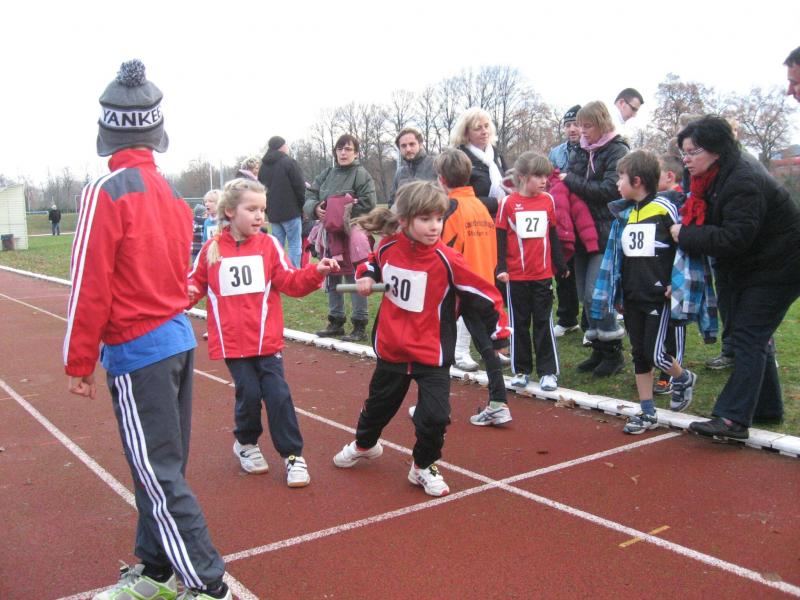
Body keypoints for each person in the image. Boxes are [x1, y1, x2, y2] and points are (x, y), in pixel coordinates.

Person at [63, 60, 231, 600]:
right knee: (157, 468)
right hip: (176, 339)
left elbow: (89, 282)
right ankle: (157, 573)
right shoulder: (170, 194)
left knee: (158, 475)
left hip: (139, 349)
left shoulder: (106, 191)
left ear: (106, 131)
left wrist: (78, 360)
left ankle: (208, 585)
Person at [331, 181, 510, 496]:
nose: (434, 226)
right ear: (404, 220)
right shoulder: (388, 247)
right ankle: (365, 445)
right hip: (392, 350)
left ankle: (423, 466)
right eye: (425, 219)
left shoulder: (448, 260)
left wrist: (499, 335)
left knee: (436, 417)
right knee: (377, 408)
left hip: (431, 354)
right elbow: (371, 263)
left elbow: (485, 295)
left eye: (438, 219)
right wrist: (367, 276)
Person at [188, 178, 339, 486]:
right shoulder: (211, 250)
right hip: (233, 343)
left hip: (266, 341)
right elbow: (193, 284)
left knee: (278, 394)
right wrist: (174, 299)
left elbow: (290, 282)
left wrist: (316, 272)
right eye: (252, 209)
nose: (260, 216)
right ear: (230, 211)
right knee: (249, 393)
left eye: (263, 210)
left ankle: (293, 455)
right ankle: (246, 443)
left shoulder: (268, 246)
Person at [670, 116, 800, 440]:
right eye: (684, 153)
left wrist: (685, 234)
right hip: (751, 265)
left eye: (693, 152)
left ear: (716, 150)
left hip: (781, 265)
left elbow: (735, 237)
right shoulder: (708, 178)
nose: (686, 160)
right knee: (749, 333)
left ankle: (732, 418)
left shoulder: (742, 180)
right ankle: (766, 408)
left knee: (748, 334)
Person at [592, 151, 696, 434]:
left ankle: (683, 377)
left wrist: (676, 283)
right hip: (632, 296)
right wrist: (617, 293)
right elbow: (619, 256)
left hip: (658, 296)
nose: (617, 184)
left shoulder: (664, 209)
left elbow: (684, 247)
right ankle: (647, 411)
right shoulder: (625, 214)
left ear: (637, 181)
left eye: (621, 178)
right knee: (639, 353)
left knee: (655, 353)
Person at [435, 149, 511, 426]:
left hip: (457, 287)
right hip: (482, 284)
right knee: (486, 346)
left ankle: (434, 405)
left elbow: (441, 250)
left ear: (441, 179)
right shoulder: (481, 207)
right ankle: (498, 402)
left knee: (438, 345)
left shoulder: (450, 209)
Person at [560, 101, 629, 377]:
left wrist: (569, 180)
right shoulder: (580, 150)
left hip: (605, 232)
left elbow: (609, 190)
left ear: (601, 123)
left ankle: (613, 352)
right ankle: (599, 349)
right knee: (585, 297)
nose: (582, 131)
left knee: (597, 294)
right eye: (580, 125)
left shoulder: (617, 150)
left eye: (587, 125)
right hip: (582, 232)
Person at [495, 152, 567, 393]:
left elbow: (552, 234)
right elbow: (500, 238)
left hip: (542, 275)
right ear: (523, 177)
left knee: (544, 322)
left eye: (546, 175)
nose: (544, 180)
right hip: (516, 276)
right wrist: (501, 267)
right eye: (538, 176)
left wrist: (560, 264)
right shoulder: (508, 203)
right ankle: (522, 369)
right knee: (519, 322)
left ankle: (548, 371)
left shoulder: (548, 200)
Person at [304, 133, 377, 342]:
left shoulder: (361, 174)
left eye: (348, 149)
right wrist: (316, 208)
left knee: (355, 275)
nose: (343, 153)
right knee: (331, 273)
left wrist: (340, 209)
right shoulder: (326, 174)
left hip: (352, 233)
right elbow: (310, 196)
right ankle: (335, 321)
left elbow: (369, 202)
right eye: (340, 149)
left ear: (356, 153)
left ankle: (359, 323)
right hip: (329, 233)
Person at [548, 105, 586, 337]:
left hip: (585, 218)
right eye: (568, 125)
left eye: (576, 125)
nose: (572, 129)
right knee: (563, 269)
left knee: (586, 270)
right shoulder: (556, 153)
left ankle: (590, 323)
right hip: (562, 220)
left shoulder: (591, 149)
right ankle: (567, 318)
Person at [652, 153, 687, 395]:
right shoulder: (654, 203)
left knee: (675, 326)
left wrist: (677, 280)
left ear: (669, 176)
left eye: (656, 175)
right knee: (661, 329)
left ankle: (674, 376)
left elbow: (683, 246)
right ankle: (665, 369)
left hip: (675, 277)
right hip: (657, 275)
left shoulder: (680, 204)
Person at [450, 107, 507, 221]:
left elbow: (509, 184)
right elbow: (459, 198)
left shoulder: (497, 157)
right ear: (465, 133)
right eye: (478, 128)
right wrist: (496, 203)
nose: (484, 131)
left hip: (502, 219)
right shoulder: (458, 159)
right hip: (474, 221)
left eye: (486, 126)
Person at [258, 136, 306, 268]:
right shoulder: (289, 162)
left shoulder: (263, 167)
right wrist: (304, 206)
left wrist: (267, 210)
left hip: (273, 213)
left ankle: (275, 273)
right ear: (282, 146)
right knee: (294, 245)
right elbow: (300, 187)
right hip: (291, 212)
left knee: (277, 247)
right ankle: (293, 272)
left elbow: (260, 190)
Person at [389, 126, 437, 207]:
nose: (408, 149)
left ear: (420, 144)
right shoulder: (400, 173)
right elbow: (392, 204)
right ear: (399, 149)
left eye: (412, 144)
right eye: (403, 146)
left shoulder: (436, 166)